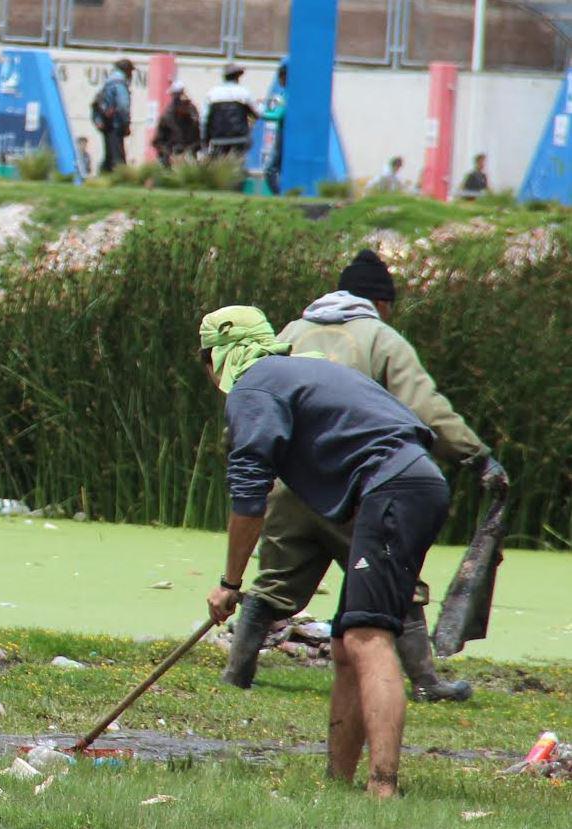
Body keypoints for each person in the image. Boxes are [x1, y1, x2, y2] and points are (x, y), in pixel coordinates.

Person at [221, 250, 508, 702]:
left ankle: (237, 672)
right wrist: (476, 456)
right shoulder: (381, 337)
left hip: (292, 485)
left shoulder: (290, 332)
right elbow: (425, 408)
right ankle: (426, 682)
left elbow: (258, 408)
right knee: (397, 581)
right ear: (382, 303)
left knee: (276, 582)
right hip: (358, 484)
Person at [199, 305, 450, 799]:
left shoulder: (254, 386)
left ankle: (383, 789)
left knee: (366, 637)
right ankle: (339, 783)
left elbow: (250, 494)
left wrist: (230, 584)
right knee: (345, 644)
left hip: (393, 488)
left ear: (217, 359)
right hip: (413, 483)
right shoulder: (307, 369)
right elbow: (413, 428)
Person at [201, 62, 259, 158]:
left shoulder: (212, 93)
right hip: (240, 139)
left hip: (218, 140)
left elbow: (204, 120)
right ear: (237, 77)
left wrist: (204, 141)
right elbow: (257, 113)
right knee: (237, 166)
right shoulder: (244, 92)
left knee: (220, 169)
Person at [92, 58, 133, 173]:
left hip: (106, 123)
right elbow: (123, 106)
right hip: (116, 124)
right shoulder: (119, 84)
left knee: (109, 155)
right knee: (117, 157)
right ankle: (121, 177)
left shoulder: (108, 83)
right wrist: (126, 123)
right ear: (127, 70)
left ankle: (104, 175)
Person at [151, 80, 201, 167]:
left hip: (188, 158)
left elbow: (198, 140)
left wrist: (189, 151)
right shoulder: (167, 117)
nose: (185, 107)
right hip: (170, 157)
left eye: (187, 104)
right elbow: (157, 141)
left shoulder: (193, 117)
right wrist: (169, 154)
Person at [261, 61, 287, 194]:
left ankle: (278, 195)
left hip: (284, 134)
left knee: (270, 169)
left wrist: (261, 112)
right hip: (285, 133)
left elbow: (278, 115)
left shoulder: (286, 95)